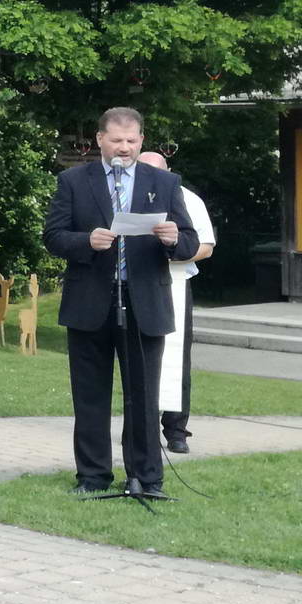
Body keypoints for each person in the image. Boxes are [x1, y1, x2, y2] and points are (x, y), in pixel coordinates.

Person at [43, 107, 199, 499]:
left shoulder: (164, 182)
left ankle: (147, 478)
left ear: (141, 141)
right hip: (89, 301)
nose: (124, 148)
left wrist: (173, 240)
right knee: (90, 396)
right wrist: (85, 241)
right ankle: (92, 477)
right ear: (100, 140)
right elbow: (53, 236)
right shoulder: (73, 181)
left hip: (144, 302)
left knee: (143, 397)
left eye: (131, 141)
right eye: (116, 141)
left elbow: (190, 241)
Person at [135, 151, 216, 456]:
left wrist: (174, 254)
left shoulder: (189, 200)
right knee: (138, 354)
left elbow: (206, 246)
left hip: (175, 281)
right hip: (138, 282)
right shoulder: (126, 197)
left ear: (168, 171)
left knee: (176, 357)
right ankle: (140, 427)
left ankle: (176, 429)